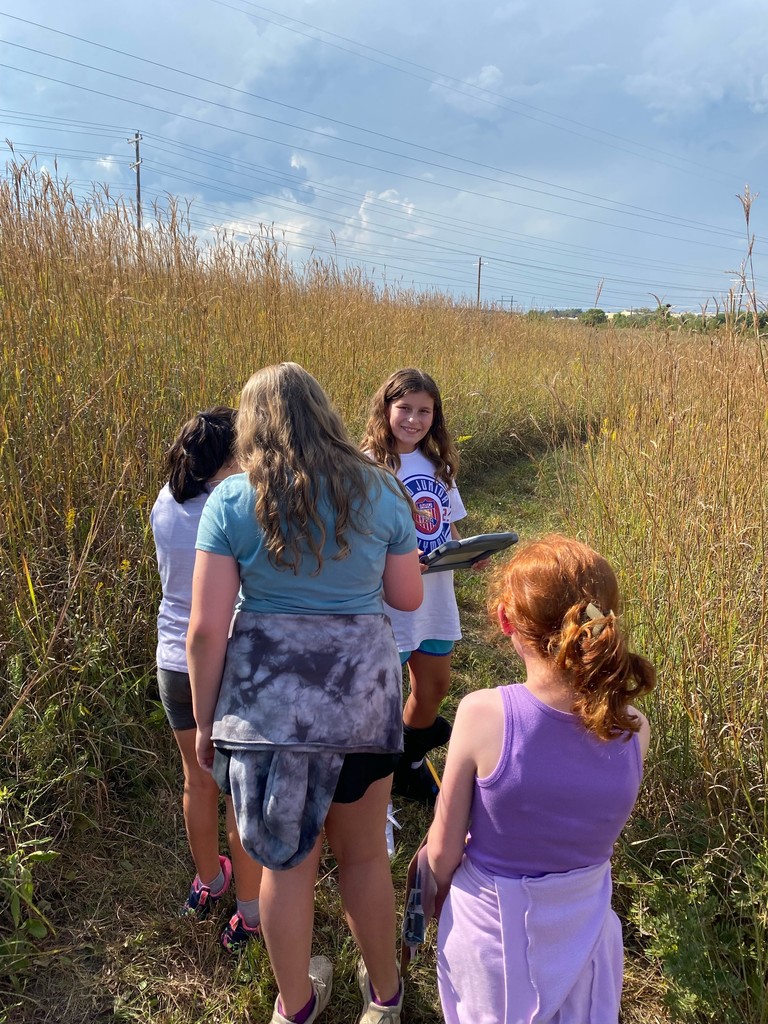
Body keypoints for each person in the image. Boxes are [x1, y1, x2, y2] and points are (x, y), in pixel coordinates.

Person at [187, 364, 423, 1024]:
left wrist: (207, 721)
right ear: (327, 414)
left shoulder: (232, 502)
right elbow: (406, 596)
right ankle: (384, 997)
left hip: (267, 714)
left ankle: (296, 1006)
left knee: (285, 869)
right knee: (365, 857)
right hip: (361, 705)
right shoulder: (379, 490)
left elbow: (206, 630)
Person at [427, 534, 655, 1024]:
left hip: (492, 945)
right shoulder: (635, 728)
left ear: (506, 620)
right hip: (585, 935)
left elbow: (443, 855)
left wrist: (425, 888)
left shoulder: (481, 713)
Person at [150, 408, 263, 951]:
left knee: (197, 781)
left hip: (172, 660)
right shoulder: (233, 509)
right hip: (223, 660)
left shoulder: (165, 502)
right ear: (227, 460)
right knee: (239, 794)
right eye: (244, 450)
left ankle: (209, 881)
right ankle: (249, 910)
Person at [362, 368, 482, 804]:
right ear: (386, 409)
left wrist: (466, 554)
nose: (413, 419)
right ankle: (375, 791)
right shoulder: (366, 467)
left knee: (433, 689)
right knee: (377, 703)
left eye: (424, 411)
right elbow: (355, 540)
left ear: (436, 416)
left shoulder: (440, 467)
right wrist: (394, 560)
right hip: (386, 603)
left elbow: (444, 528)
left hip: (434, 600)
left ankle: (407, 765)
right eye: (405, 409)